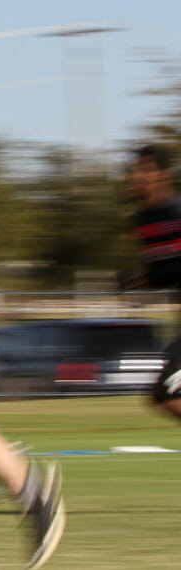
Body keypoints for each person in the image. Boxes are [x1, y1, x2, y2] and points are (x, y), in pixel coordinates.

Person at [123, 144, 181, 420]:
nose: (134, 176)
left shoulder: (177, 212)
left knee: (167, 394)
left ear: (163, 175)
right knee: (165, 395)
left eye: (143, 170)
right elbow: (165, 271)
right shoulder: (142, 221)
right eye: (133, 171)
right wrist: (142, 280)